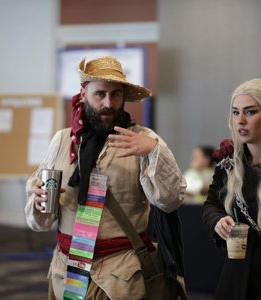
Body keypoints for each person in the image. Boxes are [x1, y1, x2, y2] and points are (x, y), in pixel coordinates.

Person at [25, 56, 187, 300]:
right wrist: (38, 199)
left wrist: (154, 152)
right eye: (100, 94)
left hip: (121, 275)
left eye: (116, 95)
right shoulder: (62, 141)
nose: (108, 103)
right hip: (69, 270)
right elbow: (40, 222)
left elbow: (170, 201)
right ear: (83, 93)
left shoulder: (143, 139)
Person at [202, 78, 261, 300]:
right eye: (236, 113)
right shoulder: (228, 162)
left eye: (250, 112)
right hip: (237, 274)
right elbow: (211, 205)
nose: (241, 120)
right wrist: (217, 220)